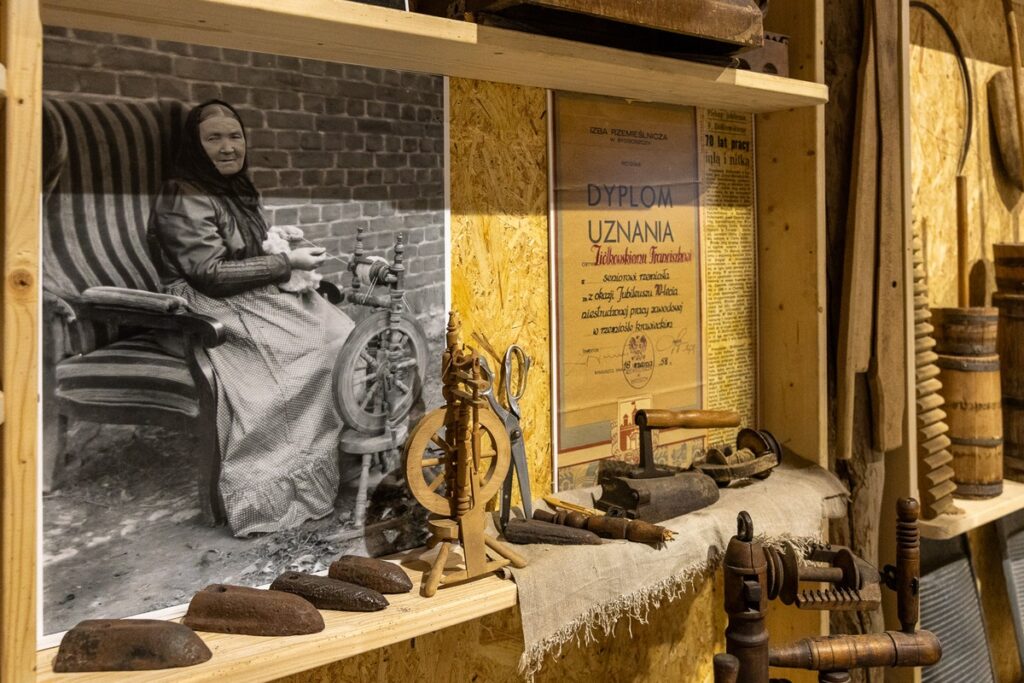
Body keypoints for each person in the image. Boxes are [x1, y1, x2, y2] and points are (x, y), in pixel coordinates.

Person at [147, 99, 354, 537]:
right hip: (207, 303)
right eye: (214, 138)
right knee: (310, 354)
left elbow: (241, 251)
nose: (228, 147)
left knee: (345, 338)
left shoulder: (234, 189)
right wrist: (285, 263)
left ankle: (346, 456)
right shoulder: (182, 194)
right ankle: (280, 487)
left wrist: (278, 246)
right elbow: (209, 274)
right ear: (195, 146)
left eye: (235, 136)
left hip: (244, 290)